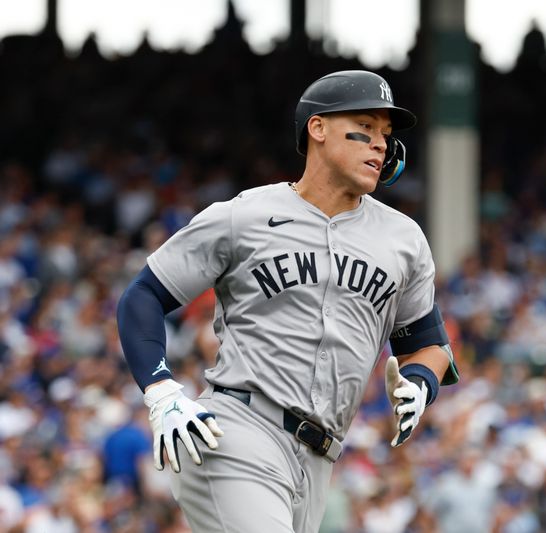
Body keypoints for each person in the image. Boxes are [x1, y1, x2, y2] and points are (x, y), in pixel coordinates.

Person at [116, 70, 459, 533]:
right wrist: (161, 392)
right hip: (236, 431)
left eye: (386, 134)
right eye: (366, 126)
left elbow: (428, 345)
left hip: (320, 458)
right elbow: (144, 295)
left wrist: (420, 382)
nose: (380, 144)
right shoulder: (245, 215)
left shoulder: (404, 239)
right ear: (317, 129)